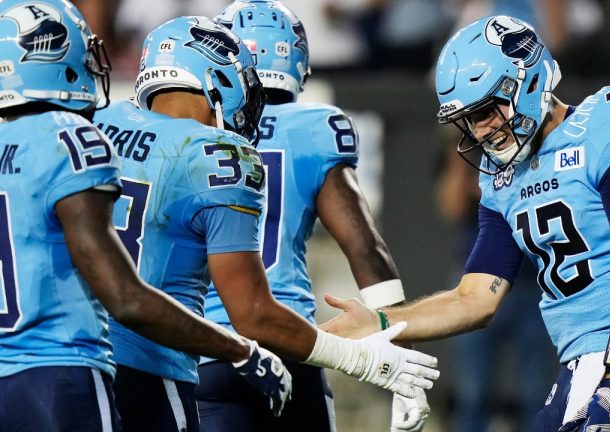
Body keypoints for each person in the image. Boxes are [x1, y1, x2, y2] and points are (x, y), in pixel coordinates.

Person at [321, 15, 610, 431]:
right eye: (469, 118)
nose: (482, 129)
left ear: (528, 81)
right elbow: (474, 299)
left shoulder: (606, 125)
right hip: (580, 365)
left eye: (487, 109)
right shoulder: (502, 177)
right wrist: (380, 322)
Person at [92, 15, 439, 432]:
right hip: (258, 339)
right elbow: (365, 251)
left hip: (105, 356)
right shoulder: (236, 151)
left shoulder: (102, 125)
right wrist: (375, 357)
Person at [0, 1, 300, 430]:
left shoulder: (81, 128)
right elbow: (125, 297)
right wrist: (241, 350)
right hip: (72, 373)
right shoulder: (71, 140)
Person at [195, 2, 430, 431]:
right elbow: (365, 248)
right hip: (291, 343)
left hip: (202, 348)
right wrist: (406, 365)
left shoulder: (187, 134)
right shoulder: (316, 128)